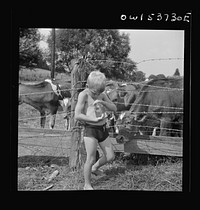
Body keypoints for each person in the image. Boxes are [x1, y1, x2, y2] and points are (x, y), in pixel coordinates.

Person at [74, 71, 117, 190]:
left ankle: (95, 168)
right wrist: (93, 119)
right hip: (91, 130)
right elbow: (77, 115)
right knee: (91, 158)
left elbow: (114, 108)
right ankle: (87, 184)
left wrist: (103, 102)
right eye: (95, 91)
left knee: (110, 156)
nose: (97, 93)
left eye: (100, 91)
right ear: (88, 86)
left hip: (102, 129)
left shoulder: (101, 94)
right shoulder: (84, 95)